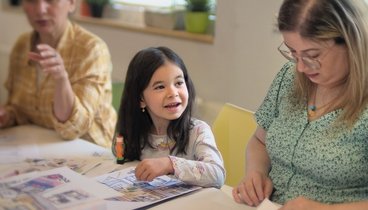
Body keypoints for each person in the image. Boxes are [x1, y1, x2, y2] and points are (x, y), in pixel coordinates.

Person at [232, 0, 368, 209]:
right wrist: (255, 173)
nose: (302, 67)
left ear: (349, 41)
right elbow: (260, 141)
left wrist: (326, 209)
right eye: (293, 52)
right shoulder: (289, 77)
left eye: (312, 55)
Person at [0, 0, 116, 148]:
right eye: (31, 0)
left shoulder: (91, 49)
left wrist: (61, 78)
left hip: (91, 153)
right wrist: (6, 115)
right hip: (40, 149)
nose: (40, 9)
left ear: (72, 3)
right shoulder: (21, 46)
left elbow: (75, 128)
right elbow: (20, 110)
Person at [113, 46, 225, 188]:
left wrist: (170, 164)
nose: (173, 93)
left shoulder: (198, 131)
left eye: (178, 83)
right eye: (160, 87)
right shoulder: (131, 131)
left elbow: (217, 175)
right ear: (141, 99)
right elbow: (119, 161)